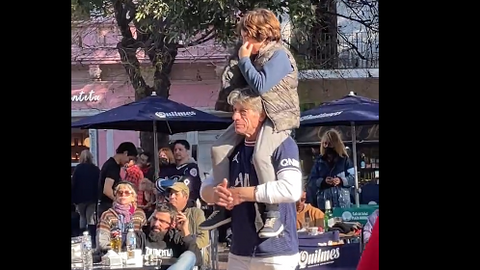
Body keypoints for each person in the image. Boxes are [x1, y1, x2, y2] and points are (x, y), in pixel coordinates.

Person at [202, 8, 300, 239]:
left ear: (263, 34)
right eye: (243, 35)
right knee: (218, 148)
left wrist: (245, 60)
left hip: (279, 116)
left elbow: (259, 86)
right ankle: (222, 207)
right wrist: (236, 63)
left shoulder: (280, 56)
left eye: (248, 35)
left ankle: (272, 213)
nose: (244, 40)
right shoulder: (252, 55)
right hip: (255, 113)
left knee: (260, 155)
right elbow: (234, 84)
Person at [201, 89, 302, 270]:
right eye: (234, 111)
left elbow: (292, 189)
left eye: (243, 112)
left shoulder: (283, 144)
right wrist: (217, 195)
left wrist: (244, 194)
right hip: (239, 251)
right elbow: (205, 188)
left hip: (277, 252)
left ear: (261, 115)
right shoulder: (231, 147)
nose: (235, 117)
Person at [140, 202, 202, 270]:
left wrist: (185, 231)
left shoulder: (175, 238)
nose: (156, 224)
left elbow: (197, 260)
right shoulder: (141, 236)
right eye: (154, 219)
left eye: (162, 221)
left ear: (172, 224)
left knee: (189, 255)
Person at [306, 129, 355, 211]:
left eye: (330, 143)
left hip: (342, 204)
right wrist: (323, 181)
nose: (327, 146)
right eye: (325, 143)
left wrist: (341, 180)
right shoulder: (319, 162)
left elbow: (354, 178)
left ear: (336, 144)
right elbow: (311, 181)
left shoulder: (345, 160)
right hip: (324, 204)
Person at [97, 181, 147, 250]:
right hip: (113, 252)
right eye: (120, 193)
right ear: (116, 195)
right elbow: (102, 241)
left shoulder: (139, 214)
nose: (123, 195)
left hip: (135, 252)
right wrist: (117, 249)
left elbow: (144, 238)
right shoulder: (107, 215)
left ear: (133, 196)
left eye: (127, 193)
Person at [97, 142, 138, 219]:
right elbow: (107, 189)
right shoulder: (112, 167)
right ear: (125, 153)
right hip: (108, 206)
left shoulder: (111, 164)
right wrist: (120, 201)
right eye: (129, 159)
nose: (128, 162)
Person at [72, 150, 100, 240]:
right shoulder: (95, 169)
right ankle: (92, 239)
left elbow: (73, 184)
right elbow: (99, 184)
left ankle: (82, 237)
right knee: (91, 218)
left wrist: (73, 199)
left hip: (80, 198)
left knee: (82, 217)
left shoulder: (78, 169)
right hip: (92, 198)